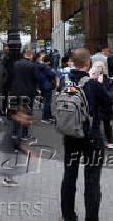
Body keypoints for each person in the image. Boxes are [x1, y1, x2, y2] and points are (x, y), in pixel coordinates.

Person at [61, 48, 112, 221]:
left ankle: (68, 214)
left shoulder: (66, 82)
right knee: (92, 178)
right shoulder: (93, 84)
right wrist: (101, 83)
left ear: (73, 63)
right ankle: (91, 217)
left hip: (70, 134)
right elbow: (108, 105)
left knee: (69, 174)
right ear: (88, 63)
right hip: (91, 137)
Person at [9, 49, 39, 140]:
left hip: (16, 91)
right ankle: (24, 134)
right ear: (30, 55)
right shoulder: (32, 66)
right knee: (27, 112)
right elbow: (36, 79)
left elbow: (12, 76)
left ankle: (15, 132)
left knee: (16, 111)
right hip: (28, 92)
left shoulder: (16, 64)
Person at [36, 54, 55, 124]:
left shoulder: (40, 66)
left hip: (42, 85)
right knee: (47, 102)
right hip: (47, 85)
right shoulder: (46, 67)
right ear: (49, 61)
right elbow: (52, 74)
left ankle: (49, 116)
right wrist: (53, 71)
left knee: (46, 102)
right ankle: (45, 118)